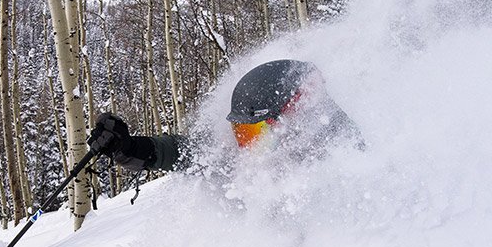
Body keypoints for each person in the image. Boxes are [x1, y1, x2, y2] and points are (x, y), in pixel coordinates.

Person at [88, 59, 363, 172]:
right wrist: (130, 149)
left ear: (294, 121)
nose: (249, 148)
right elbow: (186, 152)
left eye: (259, 134)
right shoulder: (250, 163)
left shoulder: (348, 159)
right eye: (244, 135)